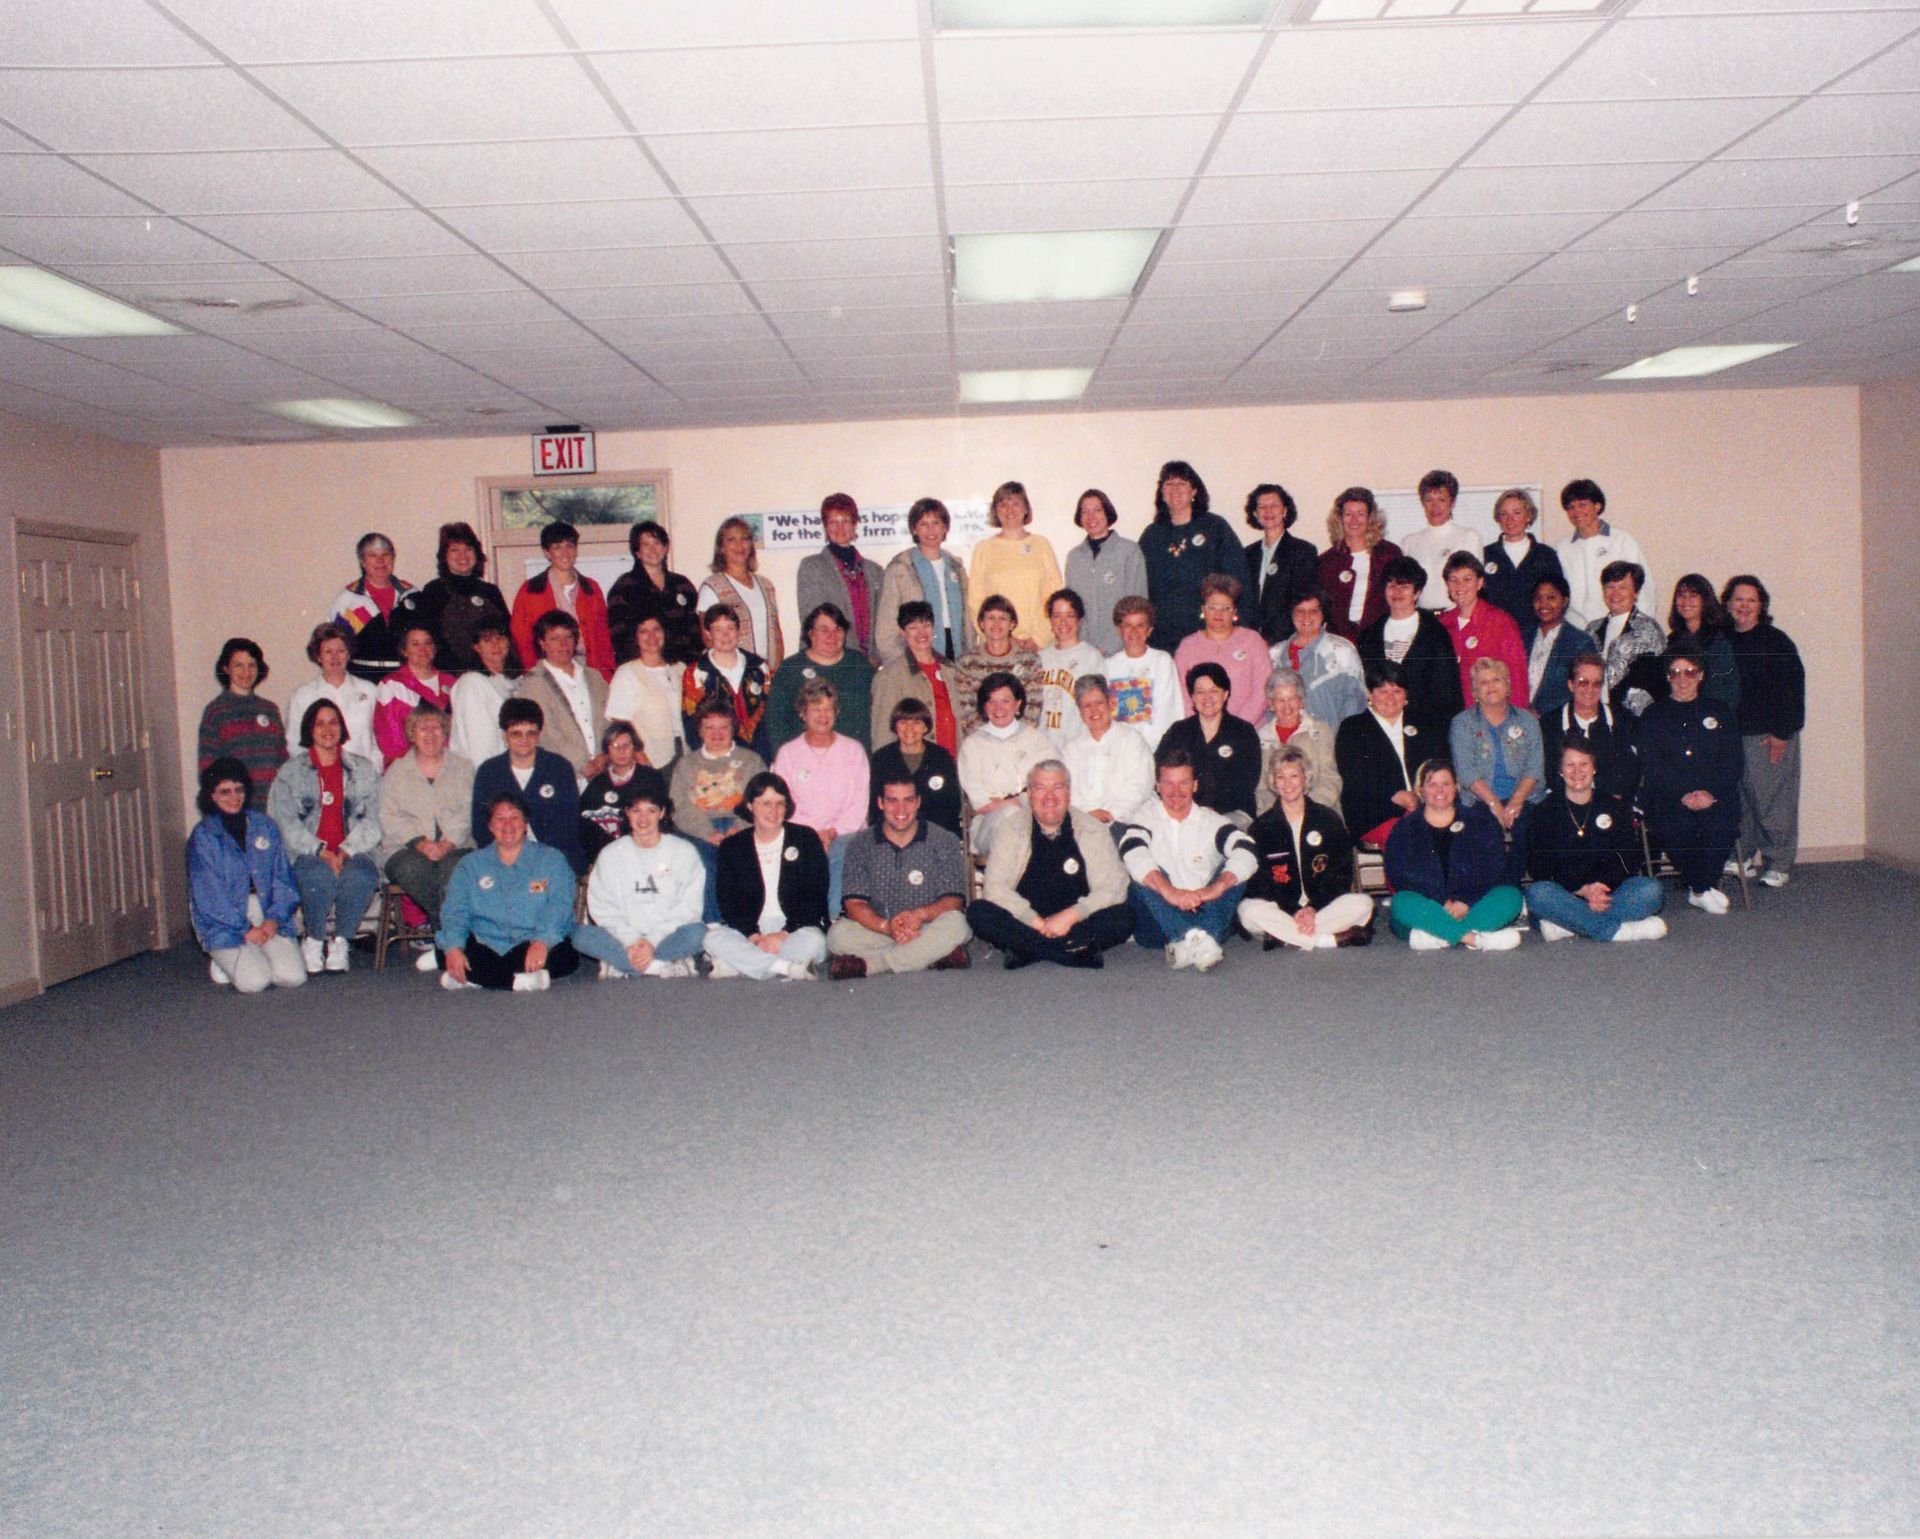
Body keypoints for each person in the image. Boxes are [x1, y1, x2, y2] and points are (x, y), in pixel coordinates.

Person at [968, 760, 1134, 969]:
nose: (1049, 797)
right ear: (1029, 794)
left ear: (1068, 793)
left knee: (1124, 916)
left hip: (1076, 921)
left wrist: (1071, 916)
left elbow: (1113, 886)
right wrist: (1035, 921)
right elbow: (995, 887)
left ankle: (1026, 950)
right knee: (978, 912)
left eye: (1057, 787)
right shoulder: (1010, 829)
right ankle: (1073, 953)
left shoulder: (1092, 829)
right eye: (1040, 788)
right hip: (1026, 921)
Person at [268, 698, 383, 974]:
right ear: (310, 729)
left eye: (333, 722)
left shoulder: (363, 769)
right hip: (307, 853)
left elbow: (375, 819)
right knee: (317, 875)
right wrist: (320, 850)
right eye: (319, 723)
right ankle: (314, 939)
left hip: (354, 851)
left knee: (362, 875)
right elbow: (284, 822)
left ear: (342, 728)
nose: (327, 729)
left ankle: (341, 941)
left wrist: (345, 850)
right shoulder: (291, 772)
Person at [1117, 749, 1258, 970]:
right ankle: (1201, 938)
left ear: (1194, 785)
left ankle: (1186, 944)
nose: (1175, 791)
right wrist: (1170, 892)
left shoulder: (1211, 820)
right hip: (1159, 917)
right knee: (1141, 877)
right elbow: (1131, 850)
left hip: (1204, 906)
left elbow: (1247, 848)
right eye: (1168, 783)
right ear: (1157, 786)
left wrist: (1214, 890)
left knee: (1236, 871)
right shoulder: (1145, 817)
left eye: (1183, 783)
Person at [827, 776, 973, 978]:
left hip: (926, 924)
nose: (901, 810)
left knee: (958, 925)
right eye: (892, 801)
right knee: (838, 936)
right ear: (880, 803)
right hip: (879, 930)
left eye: (908, 800)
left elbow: (954, 900)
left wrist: (919, 915)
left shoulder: (942, 839)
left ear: (918, 802)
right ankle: (931, 954)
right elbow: (854, 904)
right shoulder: (860, 844)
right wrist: (886, 927)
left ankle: (875, 965)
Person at [1637, 639, 1743, 914]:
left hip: (1714, 793)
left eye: (1690, 672)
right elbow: (1652, 765)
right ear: (1667, 677)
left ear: (1701, 675)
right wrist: (1683, 793)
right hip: (1669, 795)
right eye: (1675, 672)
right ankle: (1702, 888)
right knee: (1676, 827)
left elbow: (1732, 762)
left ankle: (1700, 888)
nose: (1682, 679)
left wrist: (1710, 793)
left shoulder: (1719, 711)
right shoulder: (1653, 715)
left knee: (1720, 823)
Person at [1524, 740, 1668, 944]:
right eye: (1570, 765)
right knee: (1538, 894)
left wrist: (1601, 888)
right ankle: (1615, 930)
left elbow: (1628, 860)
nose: (1577, 771)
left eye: (1584, 764)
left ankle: (1572, 924)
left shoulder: (1614, 807)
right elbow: (1539, 867)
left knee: (1651, 890)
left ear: (1594, 769)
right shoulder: (1544, 811)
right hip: (1566, 896)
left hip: (1609, 895)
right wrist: (1582, 889)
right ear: (1560, 771)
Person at [573, 767, 707, 980]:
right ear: (626, 812)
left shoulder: (683, 851)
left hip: (666, 936)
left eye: (651, 810)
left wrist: (651, 941)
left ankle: (623, 963)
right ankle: (660, 965)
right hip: (624, 937)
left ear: (662, 813)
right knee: (581, 935)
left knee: (698, 933)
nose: (643, 818)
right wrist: (631, 940)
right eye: (636, 811)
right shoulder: (611, 854)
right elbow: (601, 908)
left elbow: (689, 908)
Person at [437, 791, 579, 991]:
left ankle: (472, 977)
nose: (508, 825)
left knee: (567, 956)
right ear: (490, 826)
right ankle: (521, 981)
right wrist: (453, 949)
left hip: (533, 941)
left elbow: (560, 905)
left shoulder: (551, 859)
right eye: (500, 819)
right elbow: (455, 910)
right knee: (453, 946)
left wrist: (541, 942)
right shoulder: (470, 864)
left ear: (526, 823)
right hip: (486, 942)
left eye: (515, 818)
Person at [188, 756, 305, 993]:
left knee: (293, 977)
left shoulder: (265, 826)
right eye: (225, 792)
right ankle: (223, 962)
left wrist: (273, 919)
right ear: (212, 796)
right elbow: (210, 898)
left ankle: (252, 954)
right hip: (226, 919)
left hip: (265, 910)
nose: (234, 797)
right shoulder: (203, 837)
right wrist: (245, 929)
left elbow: (283, 880)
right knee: (256, 982)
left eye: (238, 789)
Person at [1239, 746, 1374, 950]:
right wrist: (1293, 909)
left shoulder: (1328, 819)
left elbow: (1341, 876)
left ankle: (1286, 936)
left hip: (1322, 908)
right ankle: (1327, 939)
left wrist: (1312, 908)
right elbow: (1260, 882)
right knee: (1246, 911)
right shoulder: (1262, 827)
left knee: (1363, 904)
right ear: (1273, 782)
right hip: (1282, 908)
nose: (1288, 784)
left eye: (1294, 775)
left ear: (1305, 778)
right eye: (1281, 777)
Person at [1384, 758, 1524, 951]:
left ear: (1456, 787)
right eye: (1432, 784)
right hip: (1431, 906)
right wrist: (1440, 902)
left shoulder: (1481, 821)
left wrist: (1466, 901)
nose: (1439, 790)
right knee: (1402, 903)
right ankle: (1474, 939)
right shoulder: (1405, 828)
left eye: (1446, 784)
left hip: (1472, 905)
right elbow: (1400, 875)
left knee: (1511, 896)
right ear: (1421, 790)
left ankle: (1439, 935)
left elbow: (1494, 868)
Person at [704, 771, 830, 981]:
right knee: (712, 938)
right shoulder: (732, 846)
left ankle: (740, 964)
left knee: (815, 942)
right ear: (750, 806)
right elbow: (729, 901)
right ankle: (786, 967)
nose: (773, 811)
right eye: (765, 803)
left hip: (794, 930)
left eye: (779, 803)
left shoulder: (805, 838)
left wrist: (783, 934)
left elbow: (816, 895)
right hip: (751, 931)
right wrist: (754, 937)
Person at [1723, 573, 1804, 888]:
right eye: (1738, 599)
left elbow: (1793, 690)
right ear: (1728, 604)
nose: (1744, 606)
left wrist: (1783, 734)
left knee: (1772, 802)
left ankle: (1779, 862)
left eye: (1751, 600)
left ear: (1761, 605)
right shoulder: (1724, 641)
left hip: (1768, 736)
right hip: (1733, 735)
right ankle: (1744, 855)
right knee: (1741, 801)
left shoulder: (1776, 641)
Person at [377, 702, 474, 951]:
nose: (430, 734)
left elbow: (469, 811)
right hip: (407, 849)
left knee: (454, 868)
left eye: (437, 728)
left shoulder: (464, 768)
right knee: (413, 869)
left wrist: (448, 842)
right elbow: (388, 816)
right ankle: (449, 934)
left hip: (457, 846)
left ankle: (443, 938)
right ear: (411, 733)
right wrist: (420, 843)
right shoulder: (397, 772)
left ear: (445, 733)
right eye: (423, 728)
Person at [770, 678, 869, 918]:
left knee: (839, 853)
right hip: (802, 831)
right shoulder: (788, 753)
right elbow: (784, 804)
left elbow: (859, 802)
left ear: (836, 713)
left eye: (828, 709)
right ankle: (804, 919)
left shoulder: (853, 750)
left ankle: (832, 918)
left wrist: (833, 832)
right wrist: (815, 833)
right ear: (803, 713)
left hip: (847, 833)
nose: (823, 716)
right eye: (816, 709)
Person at [668, 697, 769, 920]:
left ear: (733, 729)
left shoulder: (751, 760)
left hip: (741, 824)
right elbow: (679, 806)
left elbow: (761, 800)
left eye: (723, 727)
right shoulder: (687, 764)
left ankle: (744, 923)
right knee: (705, 861)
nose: (717, 734)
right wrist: (708, 833)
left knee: (742, 858)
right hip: (699, 828)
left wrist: (738, 828)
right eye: (709, 728)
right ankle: (713, 925)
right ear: (700, 732)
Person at [1449, 656, 1545, 884]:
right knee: (1486, 834)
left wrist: (1515, 802)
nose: (1491, 686)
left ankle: (1511, 891)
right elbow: (1467, 771)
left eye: (1497, 680)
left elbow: (1534, 767)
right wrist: (1494, 804)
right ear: (1474, 691)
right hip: (1479, 799)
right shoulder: (1462, 723)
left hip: (1524, 797)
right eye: (1483, 682)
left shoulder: (1528, 721)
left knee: (1528, 832)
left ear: (1508, 686)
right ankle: (1490, 893)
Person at [470, 697, 584, 874]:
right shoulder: (489, 772)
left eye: (530, 733)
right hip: (503, 858)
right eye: (516, 733)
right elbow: (480, 827)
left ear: (539, 735)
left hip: (552, 857)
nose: (524, 739)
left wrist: (537, 858)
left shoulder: (559, 768)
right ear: (504, 735)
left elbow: (569, 825)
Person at [1139, 460, 1242, 653]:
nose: (1175, 489)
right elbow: (1141, 587)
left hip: (1208, 633)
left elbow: (1237, 578)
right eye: (1168, 484)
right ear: (1161, 493)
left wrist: (1241, 627)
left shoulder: (1215, 527)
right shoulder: (1152, 535)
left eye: (1182, 483)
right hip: (1162, 637)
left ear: (1194, 491)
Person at [1357, 555, 1464, 739]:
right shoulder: (1369, 635)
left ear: (1417, 593)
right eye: (1391, 585)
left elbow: (1447, 693)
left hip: (1425, 728)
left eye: (1404, 586)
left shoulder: (1435, 633)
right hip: (1381, 727)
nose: (1396, 591)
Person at [958, 672, 1055, 855]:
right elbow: (981, 804)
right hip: (989, 827)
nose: (998, 708)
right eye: (991, 702)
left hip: (1036, 821)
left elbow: (1051, 786)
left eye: (1005, 701)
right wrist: (1022, 800)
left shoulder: (1037, 740)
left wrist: (1007, 801)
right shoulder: (972, 746)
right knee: (1010, 815)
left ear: (1018, 704)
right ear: (984, 706)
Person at [396, 520, 508, 675]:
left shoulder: (491, 591)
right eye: (455, 550)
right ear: (444, 556)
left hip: (493, 673)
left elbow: (506, 635)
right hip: (450, 676)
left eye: (468, 549)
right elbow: (430, 641)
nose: (463, 555)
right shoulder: (434, 591)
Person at [1155, 662, 1261, 825]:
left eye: (1214, 691)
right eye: (1200, 692)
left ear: (1225, 694)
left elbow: (1247, 784)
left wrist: (1214, 812)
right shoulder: (1179, 731)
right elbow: (1161, 771)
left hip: (1232, 812)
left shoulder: (1243, 732)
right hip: (1184, 811)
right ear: (1192, 696)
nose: (1207, 698)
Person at [509, 520, 615, 680]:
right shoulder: (530, 590)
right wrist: (534, 676)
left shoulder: (592, 589)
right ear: (547, 553)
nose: (565, 553)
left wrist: (607, 675)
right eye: (557, 547)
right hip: (548, 672)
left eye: (570, 546)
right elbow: (521, 640)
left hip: (589, 670)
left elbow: (603, 639)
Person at [1335, 661, 1424, 849]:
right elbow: (1355, 779)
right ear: (1369, 694)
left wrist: (1421, 797)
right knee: (1412, 839)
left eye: (1397, 691)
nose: (1390, 698)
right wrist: (1394, 795)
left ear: (1406, 694)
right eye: (1383, 691)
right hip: (1376, 813)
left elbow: (1438, 767)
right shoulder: (1352, 728)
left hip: (1425, 806)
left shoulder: (1424, 724)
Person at [875, 496, 974, 665]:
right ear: (914, 529)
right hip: (916, 656)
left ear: (945, 527)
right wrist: (902, 666)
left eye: (936, 523)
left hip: (956, 654)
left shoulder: (956, 567)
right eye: (923, 524)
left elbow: (968, 621)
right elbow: (886, 628)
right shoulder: (900, 568)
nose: (930, 530)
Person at [513, 610, 609, 780]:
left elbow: (610, 718)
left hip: (604, 769)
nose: (563, 644)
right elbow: (547, 732)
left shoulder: (594, 677)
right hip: (564, 774)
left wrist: (605, 754)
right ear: (541, 643)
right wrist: (581, 763)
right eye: (554, 638)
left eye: (568, 637)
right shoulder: (533, 684)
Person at [766, 602, 875, 753]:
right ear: (811, 634)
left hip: (855, 758)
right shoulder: (791, 668)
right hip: (805, 759)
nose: (832, 635)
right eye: (824, 629)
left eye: (838, 629)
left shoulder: (860, 664)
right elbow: (775, 722)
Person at [968, 480, 1063, 650]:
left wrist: (1039, 638)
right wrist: (996, 637)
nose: (1009, 510)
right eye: (1003, 504)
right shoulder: (984, 549)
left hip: (1037, 646)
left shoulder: (1041, 545)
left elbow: (1054, 596)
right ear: (995, 511)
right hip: (996, 645)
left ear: (1026, 509)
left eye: (1016, 503)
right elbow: (975, 601)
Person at [1539, 652, 1641, 807]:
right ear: (1571, 685)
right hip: (1565, 806)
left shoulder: (1623, 720)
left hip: (1613, 805)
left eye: (1596, 683)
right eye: (1583, 683)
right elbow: (1549, 774)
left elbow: (1632, 771)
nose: (1590, 689)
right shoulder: (1549, 724)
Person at [197, 636, 287, 810]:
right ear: (226, 668)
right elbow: (208, 770)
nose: (246, 672)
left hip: (272, 806)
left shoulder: (270, 709)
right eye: (239, 665)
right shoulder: (216, 711)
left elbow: (283, 759)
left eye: (251, 665)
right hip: (234, 808)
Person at [796, 492, 886, 661]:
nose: (840, 527)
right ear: (825, 526)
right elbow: (812, 619)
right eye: (833, 522)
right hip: (828, 659)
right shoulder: (811, 567)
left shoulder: (875, 571)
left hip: (869, 663)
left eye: (845, 521)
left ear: (854, 525)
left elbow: (882, 622)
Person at [1173, 573, 1271, 725]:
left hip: (1248, 729)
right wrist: (1202, 727)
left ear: (1234, 612)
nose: (1218, 613)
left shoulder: (1252, 641)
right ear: (1203, 610)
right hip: (1201, 732)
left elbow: (1262, 691)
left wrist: (1235, 727)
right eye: (1212, 607)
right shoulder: (1187, 647)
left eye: (1225, 608)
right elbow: (1183, 697)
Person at [1438, 552, 1530, 711]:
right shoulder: (1441, 624)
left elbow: (1517, 678)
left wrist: (1515, 722)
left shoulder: (1500, 622)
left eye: (1467, 579)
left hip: (1490, 716)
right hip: (1451, 717)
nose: (1459, 586)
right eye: (1453, 579)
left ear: (1479, 583)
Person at [1060, 676, 1155, 828]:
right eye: (1087, 706)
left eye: (1099, 703)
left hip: (1128, 821)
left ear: (1110, 703)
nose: (1094, 710)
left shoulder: (1132, 740)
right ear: (1079, 711)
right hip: (1084, 824)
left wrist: (1112, 814)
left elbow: (1140, 785)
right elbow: (1068, 791)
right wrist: (1088, 815)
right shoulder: (1071, 749)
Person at [871, 600, 964, 754]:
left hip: (951, 762)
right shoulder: (889, 676)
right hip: (913, 765)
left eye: (926, 625)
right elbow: (882, 736)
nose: (921, 634)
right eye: (913, 628)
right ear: (902, 632)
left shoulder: (951, 670)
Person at [1558, 477, 1653, 627]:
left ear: (1597, 506)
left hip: (1618, 626)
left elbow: (1644, 589)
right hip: (1578, 630)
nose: (1576, 511)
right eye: (1570, 507)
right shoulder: (1562, 548)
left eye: (1582, 505)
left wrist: (1639, 628)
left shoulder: (1622, 541)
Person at [605, 519, 701, 667]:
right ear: (637, 552)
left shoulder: (682, 585)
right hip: (642, 668)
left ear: (665, 548)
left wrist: (690, 665)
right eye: (645, 544)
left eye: (657, 543)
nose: (652, 549)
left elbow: (695, 631)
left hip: (682, 667)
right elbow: (619, 637)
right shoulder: (624, 588)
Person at [1064, 487, 1148, 656]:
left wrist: (1110, 646)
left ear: (1107, 513)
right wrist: (1083, 646)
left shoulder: (1129, 551)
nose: (1091, 517)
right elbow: (1073, 609)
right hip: (1084, 651)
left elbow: (1137, 605)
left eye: (1097, 510)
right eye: (1085, 512)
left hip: (1122, 648)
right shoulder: (1074, 557)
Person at [681, 604, 771, 758]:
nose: (725, 635)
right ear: (708, 633)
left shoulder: (759, 667)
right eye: (718, 630)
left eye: (730, 628)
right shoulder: (696, 673)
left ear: (738, 631)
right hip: (719, 758)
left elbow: (772, 713)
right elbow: (692, 726)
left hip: (760, 756)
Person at [696, 515, 784, 668]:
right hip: (732, 675)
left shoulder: (766, 586)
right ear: (721, 547)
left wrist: (776, 669)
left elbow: (777, 634)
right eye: (731, 539)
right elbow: (707, 638)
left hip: (767, 673)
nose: (739, 545)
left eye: (744, 538)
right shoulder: (712, 587)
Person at [285, 622, 377, 767]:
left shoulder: (369, 691)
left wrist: (373, 772)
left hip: (362, 776)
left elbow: (378, 739)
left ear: (348, 654)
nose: (335, 657)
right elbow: (295, 744)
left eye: (340, 651)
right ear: (318, 656)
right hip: (318, 777)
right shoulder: (302, 695)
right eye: (328, 652)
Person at [1317, 486, 1401, 643]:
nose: (1354, 520)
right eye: (1348, 514)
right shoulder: (1326, 562)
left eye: (1361, 514)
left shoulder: (1389, 554)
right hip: (1339, 642)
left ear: (1371, 518)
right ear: (1340, 519)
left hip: (1382, 638)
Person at [951, 595, 1044, 736]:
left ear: (1012, 624)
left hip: (1020, 741)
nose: (996, 624)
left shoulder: (1030, 661)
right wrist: (991, 740)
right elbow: (966, 713)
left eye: (1002, 618)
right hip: (981, 742)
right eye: (990, 618)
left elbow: (1033, 709)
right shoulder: (966, 663)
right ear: (981, 623)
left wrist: (1013, 738)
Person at [1241, 481, 1320, 647]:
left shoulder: (1303, 551)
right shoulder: (1247, 554)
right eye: (1262, 506)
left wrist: (1271, 640)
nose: (1268, 511)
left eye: (1274, 505)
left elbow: (1300, 601)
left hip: (1286, 640)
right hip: (1250, 641)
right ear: (1255, 513)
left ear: (1285, 510)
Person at [1254, 668, 1341, 818]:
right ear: (1271, 704)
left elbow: (1330, 779)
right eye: (1280, 700)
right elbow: (1262, 789)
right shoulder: (1261, 738)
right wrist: (1281, 814)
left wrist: (1305, 812)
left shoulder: (1320, 731)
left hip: (1320, 812)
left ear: (1301, 701)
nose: (1287, 706)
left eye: (1292, 699)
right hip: (1277, 816)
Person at [1270, 589, 1365, 727]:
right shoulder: (1275, 654)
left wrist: (1345, 741)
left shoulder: (1342, 651)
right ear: (1291, 614)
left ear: (1323, 615)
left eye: (1313, 611)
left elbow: (1355, 702)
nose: (1306, 617)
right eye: (1300, 611)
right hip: (1284, 744)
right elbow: (1268, 705)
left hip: (1328, 742)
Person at [328, 530, 414, 682]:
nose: (380, 561)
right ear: (362, 561)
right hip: (363, 679)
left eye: (385, 555)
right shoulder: (350, 599)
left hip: (406, 677)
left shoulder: (410, 594)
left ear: (393, 558)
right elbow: (337, 645)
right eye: (373, 556)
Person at [868, 697, 961, 836]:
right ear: (895, 727)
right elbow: (876, 808)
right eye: (903, 722)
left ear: (925, 727)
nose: (909, 729)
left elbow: (951, 805)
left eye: (917, 722)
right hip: (893, 833)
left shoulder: (941, 757)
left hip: (934, 833)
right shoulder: (881, 758)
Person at [1104, 594, 1186, 751]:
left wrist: (1154, 749)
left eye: (1140, 625)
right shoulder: (1108, 666)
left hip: (1155, 748)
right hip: (1119, 749)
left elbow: (1169, 711)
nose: (1134, 631)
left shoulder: (1162, 661)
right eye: (1128, 625)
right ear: (1118, 629)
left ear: (1149, 630)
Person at [604, 614, 685, 770]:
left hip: (684, 752)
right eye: (643, 631)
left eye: (656, 629)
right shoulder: (628, 672)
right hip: (651, 757)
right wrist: (641, 758)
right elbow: (620, 723)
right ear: (635, 637)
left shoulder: (679, 668)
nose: (651, 636)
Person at [1480, 487, 1567, 628]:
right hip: (1495, 633)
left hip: (1536, 634)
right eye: (1504, 514)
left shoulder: (1546, 555)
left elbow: (1559, 599)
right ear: (1498, 518)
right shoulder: (1485, 555)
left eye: (1517, 513)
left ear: (1528, 516)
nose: (1510, 520)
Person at [372, 622, 456, 768]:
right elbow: (391, 741)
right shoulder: (391, 685)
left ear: (435, 648)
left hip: (449, 768)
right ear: (404, 650)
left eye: (428, 643)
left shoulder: (452, 683)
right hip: (408, 770)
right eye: (415, 644)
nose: (423, 649)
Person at [1586, 559, 1664, 713]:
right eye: (1610, 587)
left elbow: (1653, 683)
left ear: (1635, 592)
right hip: (1594, 712)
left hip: (1632, 717)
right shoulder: (1592, 629)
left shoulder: (1649, 629)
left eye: (1623, 587)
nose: (1615, 593)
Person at [1401, 469, 1486, 611]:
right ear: (1422, 502)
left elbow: (1474, 585)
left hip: (1456, 616)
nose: (1435, 506)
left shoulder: (1469, 537)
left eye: (1442, 500)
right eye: (1429, 500)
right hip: (1422, 618)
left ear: (1452, 503)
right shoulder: (1409, 543)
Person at [1035, 589, 1106, 749]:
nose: (1063, 622)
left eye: (1070, 615)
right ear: (1050, 620)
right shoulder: (1040, 658)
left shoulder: (1091, 657)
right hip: (1043, 747)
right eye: (1057, 616)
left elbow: (1099, 708)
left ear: (1079, 619)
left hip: (1078, 747)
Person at [1661, 573, 1741, 714]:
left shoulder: (1719, 640)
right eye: (1681, 595)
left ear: (1705, 601)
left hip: (1711, 718)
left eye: (1693, 596)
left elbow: (1727, 692)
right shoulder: (1671, 641)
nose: (1686, 601)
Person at [579, 720, 649, 861]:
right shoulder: (597, 784)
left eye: (626, 745)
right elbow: (584, 823)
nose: (621, 751)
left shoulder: (650, 779)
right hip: (606, 855)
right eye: (615, 746)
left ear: (634, 747)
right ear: (607, 750)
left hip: (642, 851)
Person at [448, 621, 516, 765]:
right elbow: (479, 743)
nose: (495, 644)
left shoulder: (516, 682)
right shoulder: (472, 683)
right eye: (487, 640)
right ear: (476, 647)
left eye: (500, 638)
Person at [1522, 573, 1587, 719]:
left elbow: (1584, 692)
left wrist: (1543, 715)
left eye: (1551, 598)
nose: (1544, 604)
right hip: (1520, 722)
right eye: (1538, 598)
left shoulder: (1580, 642)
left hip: (1560, 726)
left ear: (1565, 601)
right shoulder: (1522, 638)